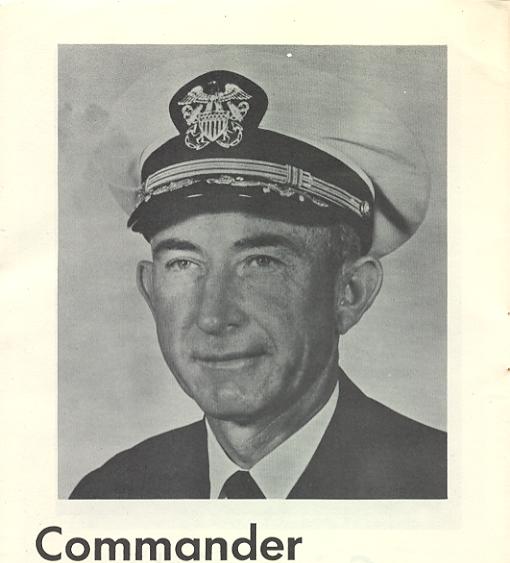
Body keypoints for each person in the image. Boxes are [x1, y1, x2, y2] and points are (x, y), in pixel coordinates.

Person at [70, 55, 446, 500]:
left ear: (350, 292)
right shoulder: (112, 495)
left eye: (260, 262)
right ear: (151, 292)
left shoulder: (442, 486)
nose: (213, 317)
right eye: (183, 263)